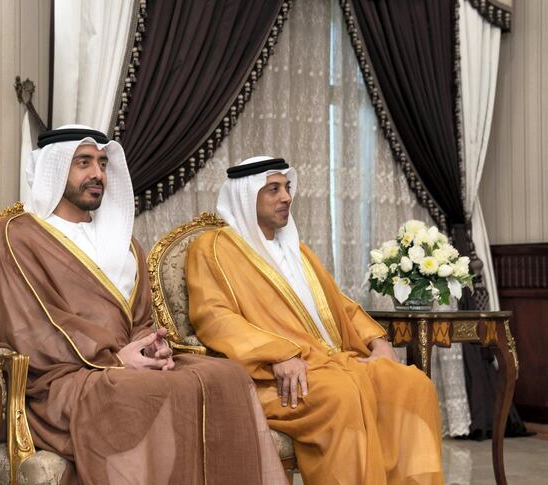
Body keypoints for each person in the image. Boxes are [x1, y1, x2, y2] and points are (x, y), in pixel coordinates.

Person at [0, 127, 286, 485]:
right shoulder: (19, 235)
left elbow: (140, 318)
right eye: (84, 163)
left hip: (126, 367)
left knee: (227, 374)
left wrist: (153, 347)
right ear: (54, 169)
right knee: (137, 392)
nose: (97, 174)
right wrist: (117, 360)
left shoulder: (122, 241)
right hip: (63, 376)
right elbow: (31, 327)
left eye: (103, 164)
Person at [186, 156, 444, 485]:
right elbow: (214, 316)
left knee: (413, 385)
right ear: (246, 196)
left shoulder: (298, 250)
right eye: (273, 190)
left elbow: (339, 304)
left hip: (331, 360)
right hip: (272, 376)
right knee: (342, 395)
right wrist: (278, 352)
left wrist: (377, 343)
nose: (286, 197)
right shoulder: (212, 249)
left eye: (287, 188)